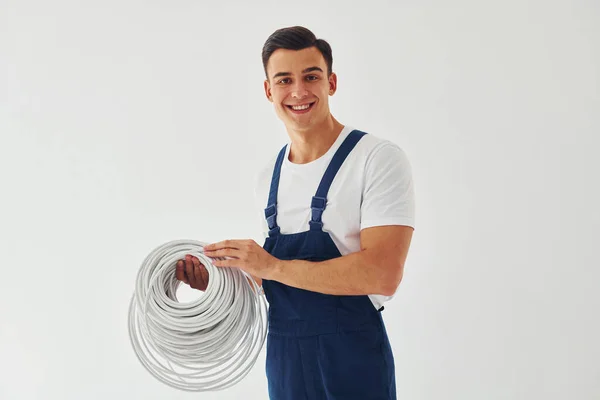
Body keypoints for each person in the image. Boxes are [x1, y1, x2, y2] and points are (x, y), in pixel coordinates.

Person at [176, 26, 415, 400]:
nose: (299, 92)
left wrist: (269, 266)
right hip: (285, 361)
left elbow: (383, 274)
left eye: (311, 76)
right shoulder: (267, 177)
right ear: (269, 90)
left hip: (353, 360)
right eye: (285, 80)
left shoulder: (375, 158)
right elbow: (277, 281)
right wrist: (221, 282)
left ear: (331, 82)